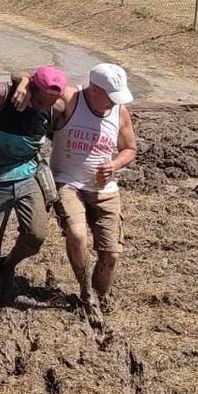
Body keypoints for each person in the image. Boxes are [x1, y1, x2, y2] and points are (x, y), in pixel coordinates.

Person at [50, 63, 138, 325]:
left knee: (111, 253)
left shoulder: (120, 113)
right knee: (77, 234)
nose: (114, 101)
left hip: (104, 188)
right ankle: (86, 292)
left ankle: (100, 296)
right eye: (111, 95)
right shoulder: (70, 99)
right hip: (69, 182)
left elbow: (130, 148)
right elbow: (35, 83)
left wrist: (115, 164)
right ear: (94, 89)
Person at [0, 65, 65, 310]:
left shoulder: (54, 108)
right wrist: (22, 81)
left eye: (46, 104)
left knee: (36, 235)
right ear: (28, 89)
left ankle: (8, 265)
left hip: (28, 176)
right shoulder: (0, 95)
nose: (39, 107)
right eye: (37, 101)